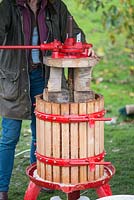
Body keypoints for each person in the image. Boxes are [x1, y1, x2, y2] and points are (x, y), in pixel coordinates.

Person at [0, 0, 94, 199]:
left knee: (41, 134)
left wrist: (83, 45)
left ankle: (40, 180)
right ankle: (2, 188)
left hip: (45, 78)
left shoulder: (55, 6)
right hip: (15, 78)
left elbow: (74, 32)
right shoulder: (8, 6)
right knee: (9, 137)